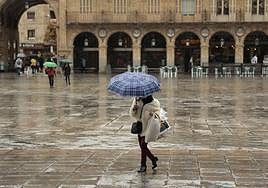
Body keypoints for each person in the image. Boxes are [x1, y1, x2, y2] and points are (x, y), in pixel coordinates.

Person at [129, 95, 161, 172]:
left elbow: (158, 115)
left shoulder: (154, 103)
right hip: (140, 126)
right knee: (141, 146)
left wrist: (152, 114)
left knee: (143, 145)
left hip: (148, 127)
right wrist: (134, 109)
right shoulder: (137, 100)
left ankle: (143, 165)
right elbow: (133, 114)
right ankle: (153, 159)